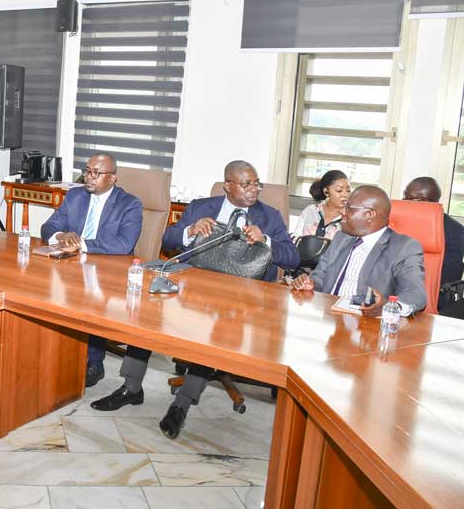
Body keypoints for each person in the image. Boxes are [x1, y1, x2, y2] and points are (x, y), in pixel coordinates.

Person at [90, 160, 300, 440]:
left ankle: (181, 405)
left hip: (241, 298)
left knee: (211, 338)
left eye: (256, 184)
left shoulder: (269, 216)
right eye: (246, 184)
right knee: (148, 314)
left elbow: (293, 258)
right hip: (194, 287)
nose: (254, 189)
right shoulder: (202, 207)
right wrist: (190, 230)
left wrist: (267, 240)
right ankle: (131, 388)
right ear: (228, 185)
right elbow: (168, 240)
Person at [40, 153, 143, 388]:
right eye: (87, 171)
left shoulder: (130, 204)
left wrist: (82, 244)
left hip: (109, 272)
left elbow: (124, 244)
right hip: (73, 267)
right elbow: (49, 226)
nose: (89, 177)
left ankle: (94, 363)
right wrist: (60, 235)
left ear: (112, 178)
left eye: (96, 173)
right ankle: (60, 355)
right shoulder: (75, 196)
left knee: (92, 301)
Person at [292, 185, 427, 316]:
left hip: (365, 323)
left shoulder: (404, 247)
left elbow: (415, 293)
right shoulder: (341, 237)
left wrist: (387, 307)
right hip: (329, 316)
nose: (342, 212)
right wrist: (311, 283)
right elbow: (320, 275)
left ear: (369, 214)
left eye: (348, 208)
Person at [403, 176, 464, 301]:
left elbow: (447, 277)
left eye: (408, 198)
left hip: (429, 296)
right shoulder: (398, 222)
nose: (403, 201)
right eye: (404, 195)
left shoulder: (454, 231)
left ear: (425, 202)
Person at [291, 170, 349, 240]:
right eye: (339, 190)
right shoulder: (311, 210)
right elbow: (295, 238)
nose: (345, 195)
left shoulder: (350, 218)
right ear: (326, 191)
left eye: (348, 191)